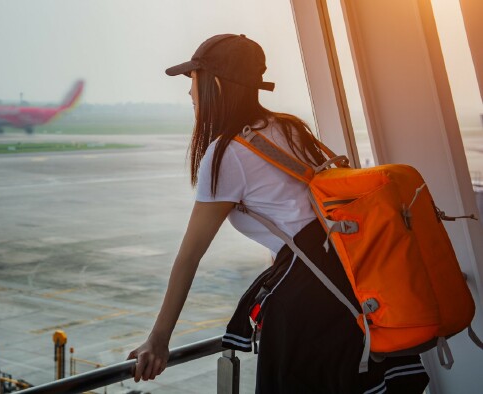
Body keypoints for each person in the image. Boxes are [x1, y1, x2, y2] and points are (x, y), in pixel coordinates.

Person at [126, 34, 430, 393]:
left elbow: (189, 255)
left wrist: (158, 339)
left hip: (310, 307)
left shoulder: (226, 155)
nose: (190, 93)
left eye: (194, 81)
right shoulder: (288, 129)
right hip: (354, 288)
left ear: (217, 85)